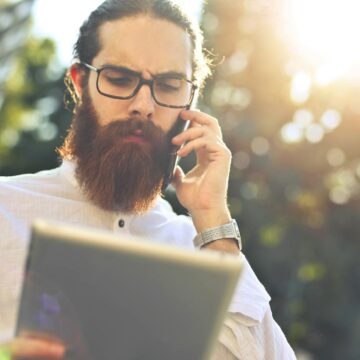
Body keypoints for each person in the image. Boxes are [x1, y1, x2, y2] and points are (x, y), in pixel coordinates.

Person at [0, 0, 296, 358]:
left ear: (192, 98)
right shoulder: (6, 210)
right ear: (80, 83)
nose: (144, 104)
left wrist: (214, 222)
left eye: (169, 85)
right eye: (120, 79)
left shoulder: (201, 249)